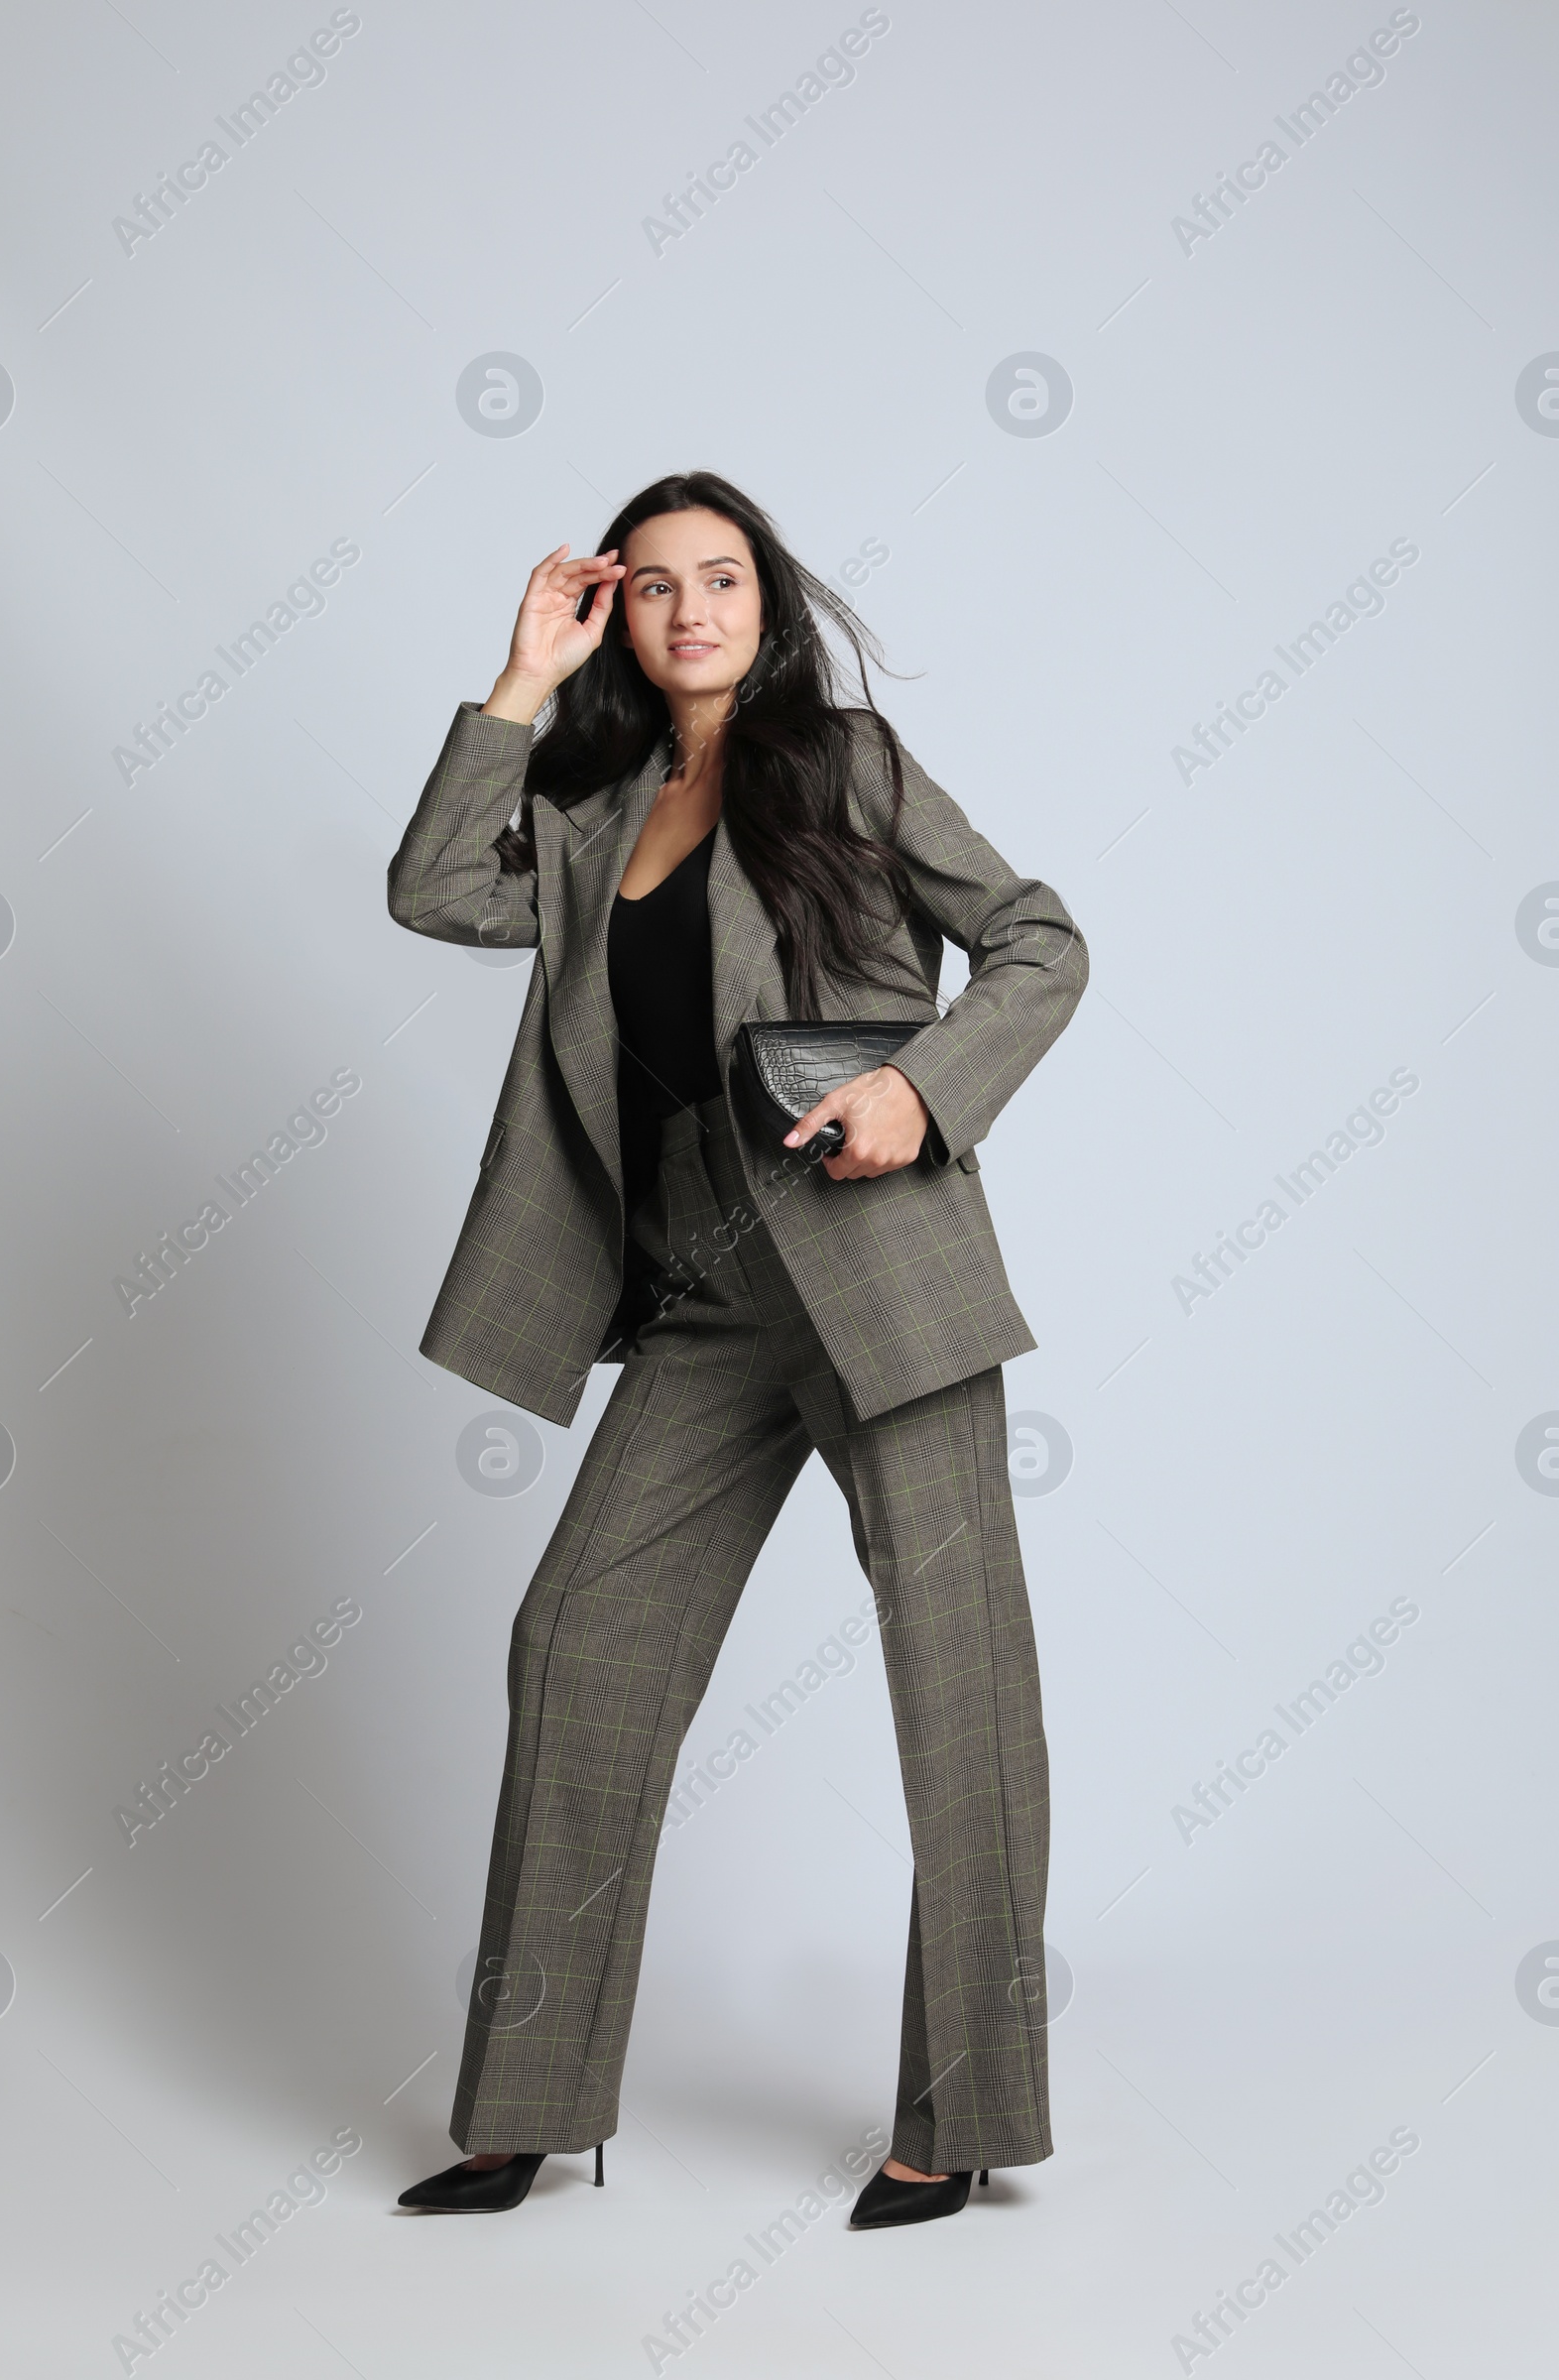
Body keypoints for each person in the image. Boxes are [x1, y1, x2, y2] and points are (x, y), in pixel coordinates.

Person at [386, 471, 1089, 2228]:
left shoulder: (843, 764)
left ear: (768, 600)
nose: (693, 612)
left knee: (960, 1690)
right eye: (654, 588)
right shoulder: (588, 799)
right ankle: (528, 2101)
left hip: (879, 1267)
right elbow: (426, 893)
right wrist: (518, 684)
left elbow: (1037, 940)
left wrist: (914, 1093)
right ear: (616, 612)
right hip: (701, 1288)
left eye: (725, 579)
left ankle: (967, 2112)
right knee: (578, 1641)